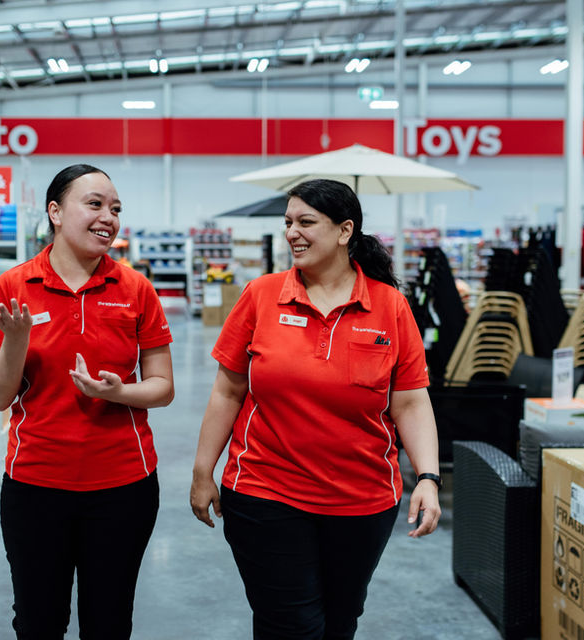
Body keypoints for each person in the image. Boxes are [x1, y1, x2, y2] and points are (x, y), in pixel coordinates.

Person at [189, 178, 442, 640]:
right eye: (288, 223)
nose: (292, 233)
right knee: (291, 626)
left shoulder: (390, 306)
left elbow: (409, 400)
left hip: (362, 501)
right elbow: (227, 391)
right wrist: (203, 471)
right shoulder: (261, 296)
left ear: (345, 231)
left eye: (306, 222)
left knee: (339, 622)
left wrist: (427, 476)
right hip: (266, 492)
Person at [0, 164, 174, 639]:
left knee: (108, 621)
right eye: (95, 204)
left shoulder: (135, 289)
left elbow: (163, 387)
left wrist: (118, 392)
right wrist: (16, 341)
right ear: (56, 212)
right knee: (39, 621)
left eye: (116, 208)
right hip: (36, 485)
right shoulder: (14, 287)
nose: (109, 216)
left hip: (124, 485)